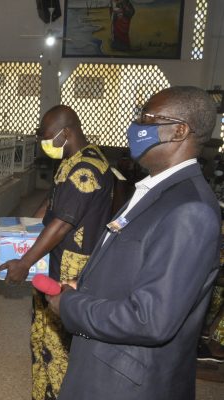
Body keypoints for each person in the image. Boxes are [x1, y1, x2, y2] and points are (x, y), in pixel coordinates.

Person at [47, 86, 220, 400]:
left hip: (126, 382)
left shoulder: (189, 210)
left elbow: (151, 319)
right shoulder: (158, 189)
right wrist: (85, 286)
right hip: (106, 363)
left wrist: (70, 305)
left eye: (147, 118)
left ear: (180, 131)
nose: (137, 126)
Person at [0, 105, 113, 400]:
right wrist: (21, 237)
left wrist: (25, 261)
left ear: (66, 132)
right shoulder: (73, 160)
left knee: (58, 345)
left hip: (70, 267)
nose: (43, 144)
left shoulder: (85, 170)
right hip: (55, 258)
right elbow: (51, 206)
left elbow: (62, 223)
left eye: (47, 137)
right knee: (42, 334)